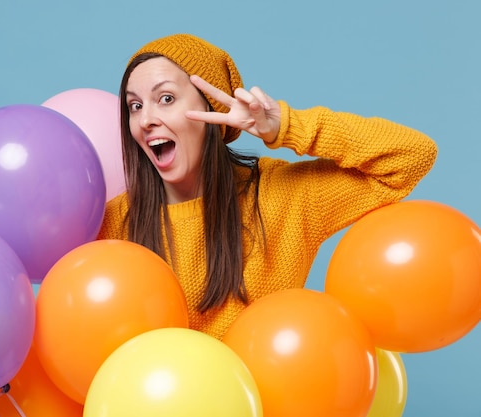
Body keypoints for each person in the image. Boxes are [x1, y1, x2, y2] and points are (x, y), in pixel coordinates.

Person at [97, 33, 438, 340]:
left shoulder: (282, 195)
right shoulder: (109, 224)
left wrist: (286, 127)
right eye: (135, 106)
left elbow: (412, 156)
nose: (145, 120)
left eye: (166, 99)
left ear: (213, 108)